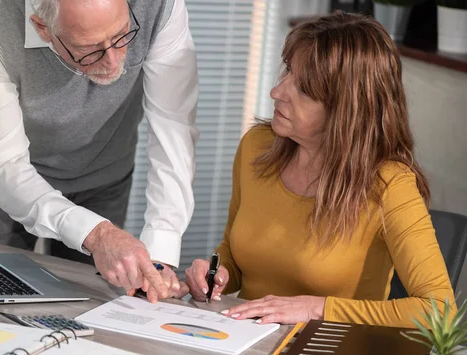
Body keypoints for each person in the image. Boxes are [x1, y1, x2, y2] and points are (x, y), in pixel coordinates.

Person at [184, 11, 455, 328]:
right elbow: (233, 252)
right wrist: (217, 275)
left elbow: (439, 310)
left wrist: (318, 308)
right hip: (245, 343)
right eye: (287, 72)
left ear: (348, 110)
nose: (277, 92)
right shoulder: (256, 148)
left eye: (303, 89)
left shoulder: (390, 185)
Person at [0, 0, 198, 302]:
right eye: (89, 48)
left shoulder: (158, 7)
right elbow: (2, 165)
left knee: (90, 306)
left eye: (123, 35)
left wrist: (160, 252)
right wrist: (96, 234)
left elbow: (172, 130)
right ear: (42, 28)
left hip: (103, 178)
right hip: (3, 186)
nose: (113, 62)